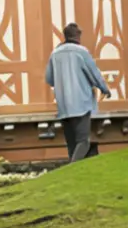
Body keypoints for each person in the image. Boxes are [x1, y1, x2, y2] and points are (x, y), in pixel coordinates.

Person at [44, 23, 112, 163]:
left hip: (63, 105)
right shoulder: (81, 51)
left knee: (72, 144)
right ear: (78, 36)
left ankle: (73, 168)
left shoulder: (55, 53)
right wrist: (105, 88)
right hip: (81, 103)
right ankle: (72, 167)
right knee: (83, 141)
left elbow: (49, 79)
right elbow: (94, 74)